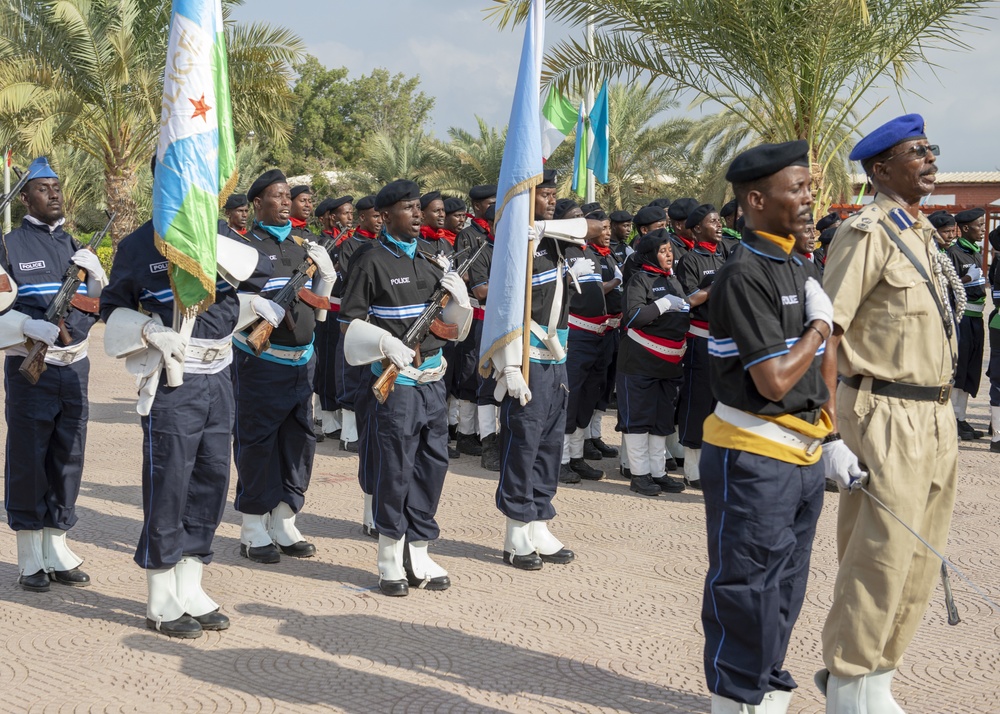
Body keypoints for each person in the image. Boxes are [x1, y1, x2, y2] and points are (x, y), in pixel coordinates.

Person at [817, 114, 959, 712]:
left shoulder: (920, 232)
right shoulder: (867, 232)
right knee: (879, 554)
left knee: (921, 558)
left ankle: (879, 679)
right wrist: (828, 435)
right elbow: (826, 332)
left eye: (930, 149)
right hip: (884, 412)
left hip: (936, 413)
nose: (929, 159)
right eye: (915, 152)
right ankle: (848, 684)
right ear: (881, 169)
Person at [700, 140, 839, 713]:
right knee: (746, 585)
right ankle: (735, 698)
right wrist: (819, 327)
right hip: (754, 454)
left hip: (799, 454)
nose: (809, 198)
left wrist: (830, 439)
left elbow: (808, 385)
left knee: (785, 583)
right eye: (798, 188)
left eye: (809, 187)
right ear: (756, 199)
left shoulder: (794, 261)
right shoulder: (744, 272)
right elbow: (775, 382)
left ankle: (768, 686)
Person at [101, 174, 271, 636]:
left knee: (211, 481)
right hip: (174, 380)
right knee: (169, 482)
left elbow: (249, 280)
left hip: (218, 377)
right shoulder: (138, 245)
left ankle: (191, 584)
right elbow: (112, 306)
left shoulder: (216, 237)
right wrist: (148, 331)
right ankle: (161, 593)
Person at [340, 179, 473, 597]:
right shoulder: (371, 260)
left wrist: (460, 301)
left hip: (433, 382)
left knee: (432, 467)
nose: (417, 215)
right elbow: (349, 324)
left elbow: (452, 329)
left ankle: (420, 550)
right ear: (385, 216)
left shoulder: (433, 262)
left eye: (419, 207)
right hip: (395, 385)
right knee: (394, 470)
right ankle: (388, 557)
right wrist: (384, 343)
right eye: (408, 208)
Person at [0, 156, 106, 593]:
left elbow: (92, 309)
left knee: (68, 458)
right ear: (25, 196)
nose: (54, 194)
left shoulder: (74, 246)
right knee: (29, 458)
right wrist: (25, 327)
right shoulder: (9, 246)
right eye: (44, 188)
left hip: (73, 369)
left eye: (57, 187)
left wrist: (98, 280)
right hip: (31, 371)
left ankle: (57, 545)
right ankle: (30, 555)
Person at [232, 169, 336, 565]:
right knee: (258, 442)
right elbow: (228, 305)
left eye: (287, 196)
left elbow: (319, 310)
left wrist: (325, 278)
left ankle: (285, 515)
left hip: (302, 362)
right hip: (261, 362)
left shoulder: (302, 247)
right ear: (257, 204)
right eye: (277, 196)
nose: (286, 202)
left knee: (298, 441)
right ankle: (254, 526)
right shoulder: (243, 247)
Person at [485, 169, 583, 571]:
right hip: (526, 360)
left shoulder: (553, 239)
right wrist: (508, 366)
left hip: (556, 361)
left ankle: (540, 520)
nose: (551, 200)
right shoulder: (514, 248)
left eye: (553, 195)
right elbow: (504, 311)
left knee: (549, 447)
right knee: (523, 448)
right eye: (543, 195)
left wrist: (542, 225)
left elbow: (587, 225)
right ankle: (515, 531)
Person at [616, 228, 691, 496]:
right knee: (639, 417)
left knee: (661, 418)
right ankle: (639, 474)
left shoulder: (672, 281)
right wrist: (662, 305)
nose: (669, 255)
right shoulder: (640, 279)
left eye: (670, 250)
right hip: (640, 361)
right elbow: (633, 318)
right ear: (650, 254)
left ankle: (658, 472)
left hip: (669, 363)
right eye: (663, 251)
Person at [559, 211, 618, 484]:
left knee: (587, 396)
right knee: (570, 398)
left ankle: (576, 455)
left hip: (599, 334)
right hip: (576, 333)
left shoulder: (589, 252)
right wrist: (566, 279)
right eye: (575, 217)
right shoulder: (560, 248)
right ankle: (560, 460)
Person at [674, 204, 726, 490]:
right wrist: (717, 286)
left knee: (719, 403)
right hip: (699, 339)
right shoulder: (690, 260)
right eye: (713, 221)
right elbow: (689, 299)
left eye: (719, 220)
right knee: (698, 401)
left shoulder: (725, 255)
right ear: (696, 229)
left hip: (724, 341)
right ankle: (692, 469)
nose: (719, 225)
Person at [311, 195, 354, 443]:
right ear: (331, 217)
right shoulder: (324, 242)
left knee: (340, 365)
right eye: (345, 213)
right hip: (330, 306)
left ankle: (335, 413)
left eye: (350, 213)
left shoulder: (347, 241)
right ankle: (328, 419)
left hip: (345, 310)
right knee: (327, 363)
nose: (350, 217)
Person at [949, 207, 987, 440]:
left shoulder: (974, 252)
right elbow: (947, 289)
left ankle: (961, 418)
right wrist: (965, 280)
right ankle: (952, 419)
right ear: (964, 228)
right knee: (958, 370)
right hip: (962, 319)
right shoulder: (954, 253)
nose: (983, 229)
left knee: (970, 371)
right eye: (979, 226)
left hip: (976, 318)